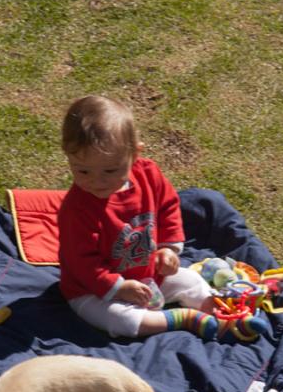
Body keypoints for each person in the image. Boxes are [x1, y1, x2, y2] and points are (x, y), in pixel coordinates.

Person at [58, 94, 217, 340]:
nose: (96, 181)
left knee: (192, 281)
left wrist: (168, 249)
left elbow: (168, 207)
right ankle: (179, 319)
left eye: (110, 170)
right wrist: (118, 288)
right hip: (91, 290)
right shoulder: (76, 209)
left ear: (134, 154)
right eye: (82, 170)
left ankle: (222, 314)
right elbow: (83, 264)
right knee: (121, 320)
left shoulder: (148, 174)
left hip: (148, 270)